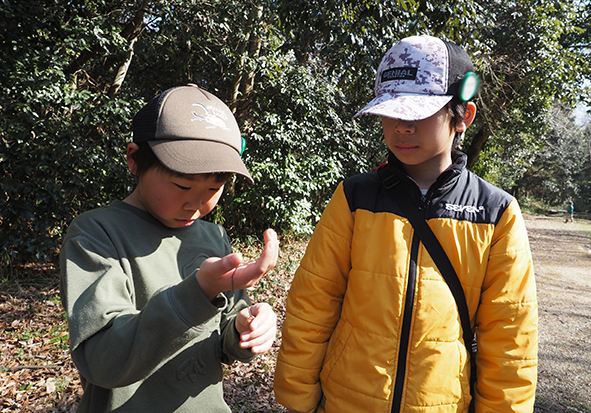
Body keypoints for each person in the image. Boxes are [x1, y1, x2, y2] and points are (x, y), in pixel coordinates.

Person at [274, 35, 538, 412]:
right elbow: (313, 302)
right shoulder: (355, 197)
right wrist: (298, 395)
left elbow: (511, 336)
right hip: (347, 400)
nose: (401, 127)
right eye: (391, 111)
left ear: (463, 116)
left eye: (417, 113)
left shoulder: (495, 212)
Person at [60, 84, 279, 413]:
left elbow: (223, 340)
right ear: (135, 159)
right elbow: (104, 361)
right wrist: (197, 293)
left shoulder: (214, 237)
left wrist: (246, 327)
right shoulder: (97, 234)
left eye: (214, 188)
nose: (195, 204)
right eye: (182, 185)